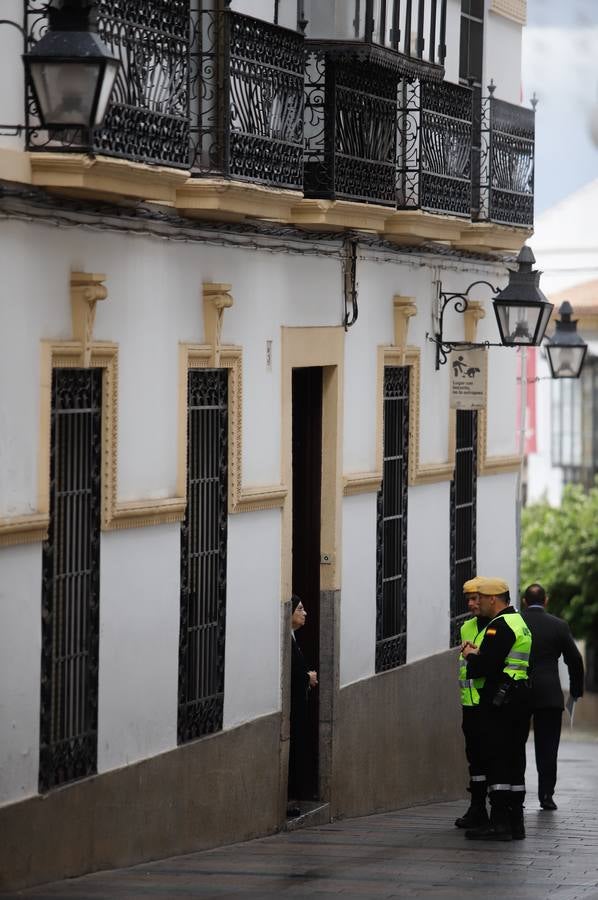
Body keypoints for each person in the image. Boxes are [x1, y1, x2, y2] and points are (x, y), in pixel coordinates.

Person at [461, 577, 532, 841]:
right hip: (519, 696)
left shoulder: (499, 627)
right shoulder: (520, 623)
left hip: (500, 701)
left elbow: (484, 667)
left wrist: (470, 655)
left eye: (481, 598)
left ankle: (499, 822)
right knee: (515, 759)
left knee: (497, 758)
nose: (477, 602)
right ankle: (516, 823)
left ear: (493, 599)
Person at [521, 583, 584, 810]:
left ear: (524, 601)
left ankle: (515, 793)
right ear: (545, 601)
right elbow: (575, 660)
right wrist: (576, 690)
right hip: (549, 693)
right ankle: (546, 796)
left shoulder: (515, 623)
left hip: (519, 692)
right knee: (548, 747)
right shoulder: (558, 625)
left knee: (515, 744)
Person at [455, 577, 491, 829]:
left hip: (491, 704)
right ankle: (477, 807)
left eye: (475, 599)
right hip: (470, 704)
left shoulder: (499, 627)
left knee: (495, 757)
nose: (471, 603)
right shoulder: (466, 627)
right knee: (475, 757)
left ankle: (502, 808)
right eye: (468, 599)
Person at [288, 595, 318, 815]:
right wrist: (308, 677)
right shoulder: (288, 641)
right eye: (300, 609)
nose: (305, 613)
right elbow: (293, 673)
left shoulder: (293, 639)